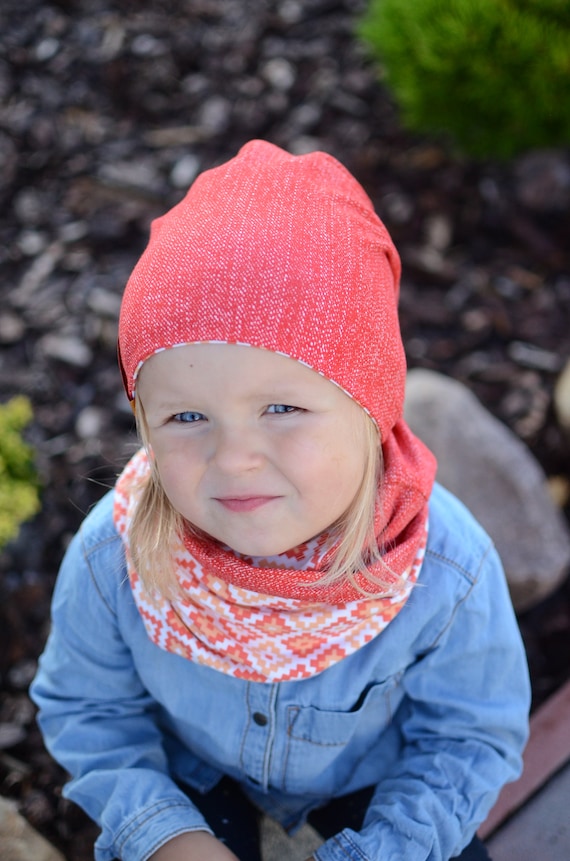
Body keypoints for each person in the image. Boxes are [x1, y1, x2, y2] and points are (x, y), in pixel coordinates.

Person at [31, 140, 530, 861]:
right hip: (196, 773)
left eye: (282, 408)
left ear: (369, 404)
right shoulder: (117, 553)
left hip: (372, 780)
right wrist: (166, 835)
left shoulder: (442, 567)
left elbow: (468, 735)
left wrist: (383, 849)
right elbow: (88, 708)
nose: (235, 457)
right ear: (144, 421)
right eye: (187, 417)